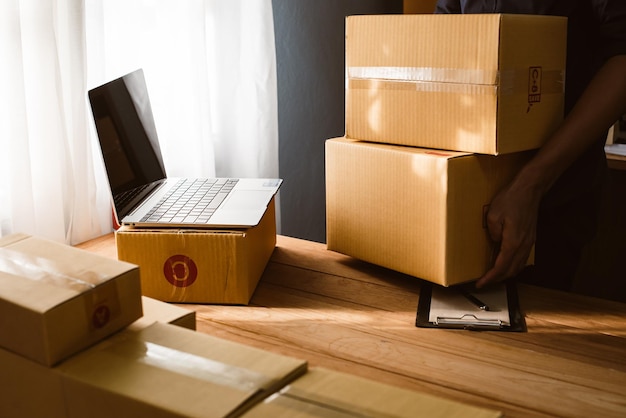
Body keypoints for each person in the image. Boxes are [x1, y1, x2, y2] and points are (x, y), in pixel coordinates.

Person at [435, 1, 626, 291]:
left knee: (534, 326)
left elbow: (622, 58)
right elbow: (443, 38)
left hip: (554, 203)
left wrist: (530, 185)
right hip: (464, 198)